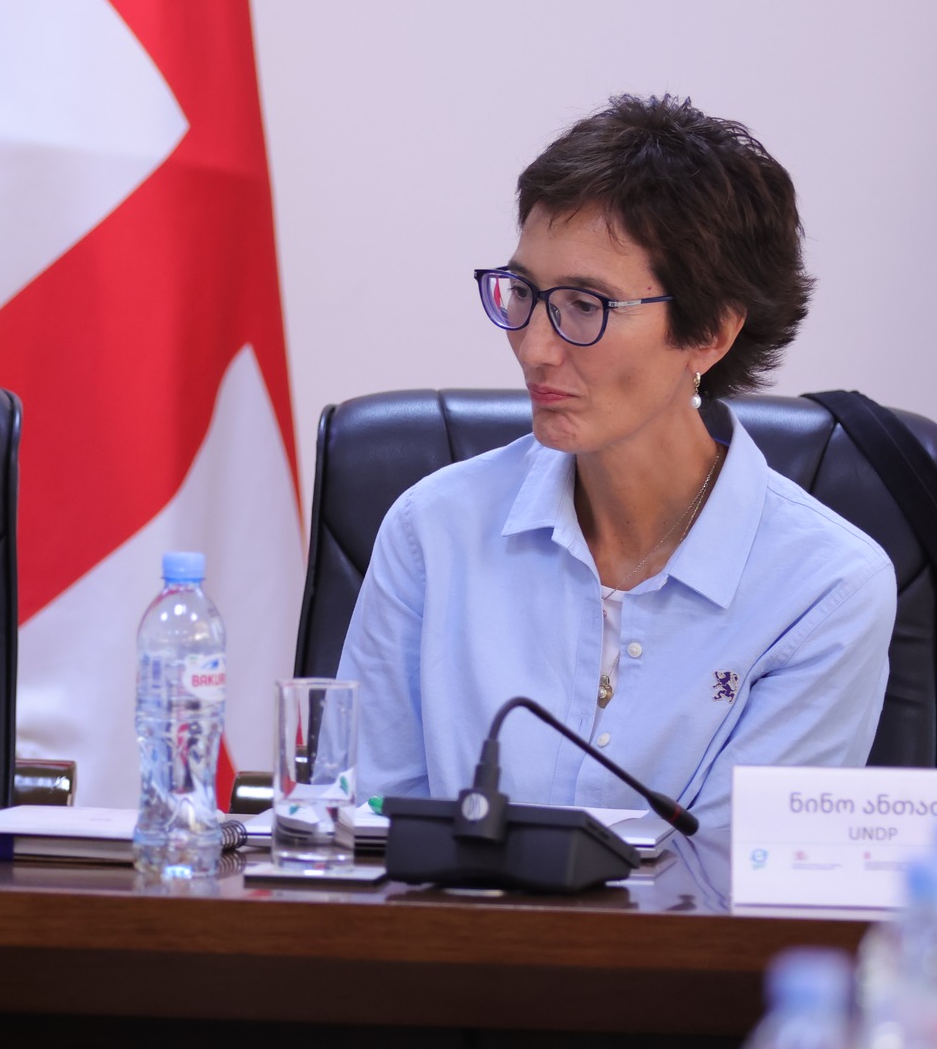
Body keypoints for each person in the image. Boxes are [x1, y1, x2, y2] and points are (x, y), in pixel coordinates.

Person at [341, 96, 894, 827]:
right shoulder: (433, 530)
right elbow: (372, 826)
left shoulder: (823, 588)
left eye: (585, 305)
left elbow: (735, 871)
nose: (535, 347)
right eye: (524, 293)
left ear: (711, 332)